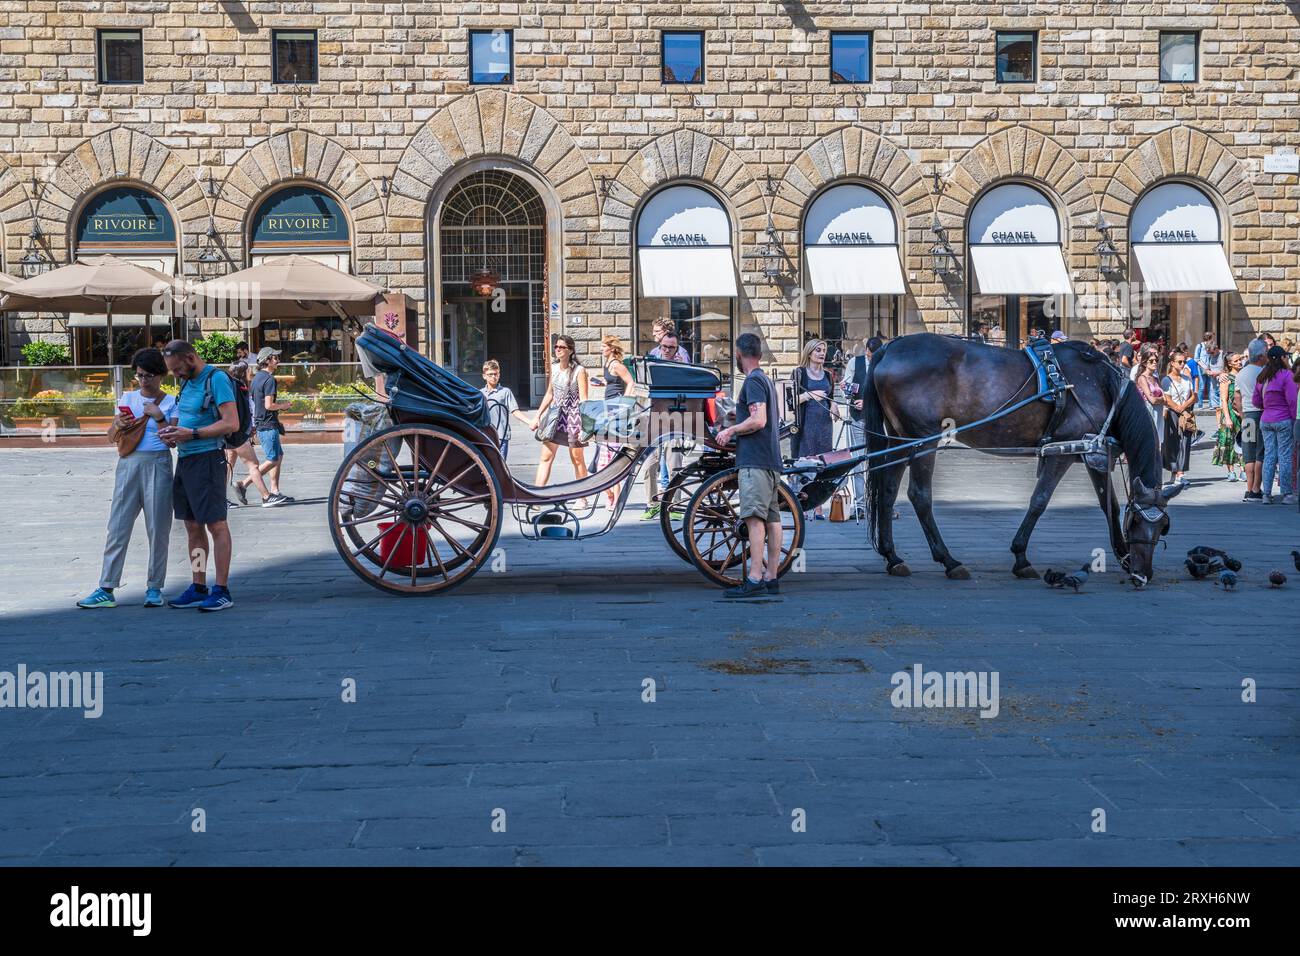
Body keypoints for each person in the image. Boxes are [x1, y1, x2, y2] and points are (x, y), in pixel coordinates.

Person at [76, 348, 178, 609]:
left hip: (158, 462)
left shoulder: (169, 402)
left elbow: (172, 440)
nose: (144, 380)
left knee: (158, 528)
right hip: (128, 464)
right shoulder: (127, 397)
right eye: (140, 375)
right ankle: (106, 586)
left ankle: (155, 587)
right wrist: (118, 425)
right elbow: (111, 437)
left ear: (161, 376)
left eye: (150, 376)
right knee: (118, 525)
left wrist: (159, 417)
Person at [158, 340, 239, 611]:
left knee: (216, 524)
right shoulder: (186, 382)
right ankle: (198, 584)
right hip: (186, 459)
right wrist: (172, 432)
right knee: (192, 525)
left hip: (208, 460)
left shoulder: (216, 379)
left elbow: (231, 422)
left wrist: (191, 434)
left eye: (177, 368)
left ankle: (222, 589)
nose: (175, 375)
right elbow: (187, 417)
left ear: (191, 358)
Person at [715, 332, 784, 598]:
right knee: (772, 519)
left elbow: (759, 420)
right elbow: (756, 414)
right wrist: (738, 413)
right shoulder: (765, 379)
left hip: (755, 459)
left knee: (754, 520)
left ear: (739, 354)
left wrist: (730, 431)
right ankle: (772, 577)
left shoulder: (753, 381)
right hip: (770, 460)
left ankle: (754, 579)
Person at [530, 334, 589, 492]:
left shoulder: (579, 371)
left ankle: (582, 496)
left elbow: (584, 399)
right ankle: (537, 495)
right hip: (555, 417)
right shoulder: (554, 368)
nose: (557, 350)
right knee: (546, 457)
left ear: (570, 350)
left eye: (561, 347)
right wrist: (537, 415)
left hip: (573, 417)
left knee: (577, 459)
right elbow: (550, 393)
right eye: (556, 347)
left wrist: (586, 426)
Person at [790, 338, 838, 519]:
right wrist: (809, 395)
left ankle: (818, 507)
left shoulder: (827, 375)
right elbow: (790, 400)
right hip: (805, 424)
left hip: (824, 425)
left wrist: (833, 405)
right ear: (809, 353)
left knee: (822, 465)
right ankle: (802, 504)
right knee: (805, 464)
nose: (822, 353)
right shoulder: (799, 373)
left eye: (824, 350)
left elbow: (830, 396)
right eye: (818, 350)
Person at [641, 329, 686, 518]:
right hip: (653, 417)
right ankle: (652, 505)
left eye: (671, 347)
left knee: (674, 462)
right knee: (649, 464)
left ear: (677, 348)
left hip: (674, 417)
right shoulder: (653, 358)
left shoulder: (682, 362)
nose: (667, 350)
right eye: (664, 346)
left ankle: (674, 506)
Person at [840, 335, 882, 518]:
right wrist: (849, 394)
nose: (873, 358)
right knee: (858, 461)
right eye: (871, 355)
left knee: (878, 461)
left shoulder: (884, 362)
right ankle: (860, 505)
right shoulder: (854, 363)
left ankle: (879, 502)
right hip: (858, 417)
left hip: (879, 420)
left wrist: (869, 402)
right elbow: (846, 386)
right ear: (867, 351)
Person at [591, 335, 635, 509]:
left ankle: (615, 498)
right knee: (604, 457)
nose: (601, 349)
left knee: (613, 454)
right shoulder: (608, 364)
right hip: (607, 410)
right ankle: (610, 494)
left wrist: (625, 403)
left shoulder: (617, 365)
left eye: (603, 346)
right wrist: (601, 383)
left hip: (616, 412)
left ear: (611, 347)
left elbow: (630, 382)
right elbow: (613, 383)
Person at [1252, 345, 1297, 504]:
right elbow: (1292, 400)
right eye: (1285, 357)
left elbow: (1255, 401)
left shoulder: (1262, 377)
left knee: (1269, 456)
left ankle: (1266, 494)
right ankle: (1286, 494)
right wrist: (1292, 419)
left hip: (1266, 419)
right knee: (1284, 456)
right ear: (1282, 358)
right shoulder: (1287, 375)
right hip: (1283, 418)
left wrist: (1267, 408)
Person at [225, 361, 275, 507]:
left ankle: (220, 499)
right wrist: (245, 429)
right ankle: (266, 496)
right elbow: (241, 411)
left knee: (228, 465)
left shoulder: (235, 386)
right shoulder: (238, 388)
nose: (251, 373)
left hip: (233, 433)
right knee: (253, 465)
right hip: (238, 434)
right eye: (248, 371)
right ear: (243, 372)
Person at [248, 346, 293, 506]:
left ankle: (275, 491)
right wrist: (283, 405)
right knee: (273, 459)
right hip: (267, 422)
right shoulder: (269, 379)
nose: (278, 360)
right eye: (275, 358)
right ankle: (243, 484)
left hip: (260, 421)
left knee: (278, 456)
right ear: (267, 360)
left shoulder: (256, 378)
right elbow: (268, 405)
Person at [1235, 337, 1269, 502]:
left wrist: (1242, 415)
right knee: (1260, 453)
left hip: (1247, 415)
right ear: (1261, 355)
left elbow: (1237, 398)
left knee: (1248, 453)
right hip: (1261, 413)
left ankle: (1248, 489)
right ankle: (1256, 489)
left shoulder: (1241, 373)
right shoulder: (1262, 373)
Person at [480, 359, 529, 460]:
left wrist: (529, 422)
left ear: (499, 374)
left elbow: (515, 411)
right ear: (484, 376)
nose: (493, 377)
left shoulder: (505, 392)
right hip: (486, 435)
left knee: (500, 465)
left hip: (501, 435)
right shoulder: (480, 394)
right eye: (490, 374)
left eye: (495, 374)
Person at [1160, 350, 1195, 484]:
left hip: (1185, 413)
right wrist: (1177, 408)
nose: (1182, 364)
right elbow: (1167, 398)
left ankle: (1181, 472)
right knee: (1172, 442)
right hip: (1172, 413)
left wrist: (1184, 406)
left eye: (1184, 362)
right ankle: (1175, 470)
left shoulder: (1186, 379)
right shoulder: (1166, 380)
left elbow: (1193, 396)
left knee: (1185, 442)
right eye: (1179, 362)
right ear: (1172, 363)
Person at [1212, 352, 1246, 482]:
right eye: (1236, 361)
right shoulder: (1226, 379)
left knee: (1244, 442)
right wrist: (1227, 418)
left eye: (1240, 360)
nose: (1239, 362)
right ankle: (1231, 471)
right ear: (1229, 363)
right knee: (1228, 442)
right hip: (1230, 413)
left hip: (1242, 413)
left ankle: (1243, 469)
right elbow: (1224, 400)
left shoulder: (1243, 376)